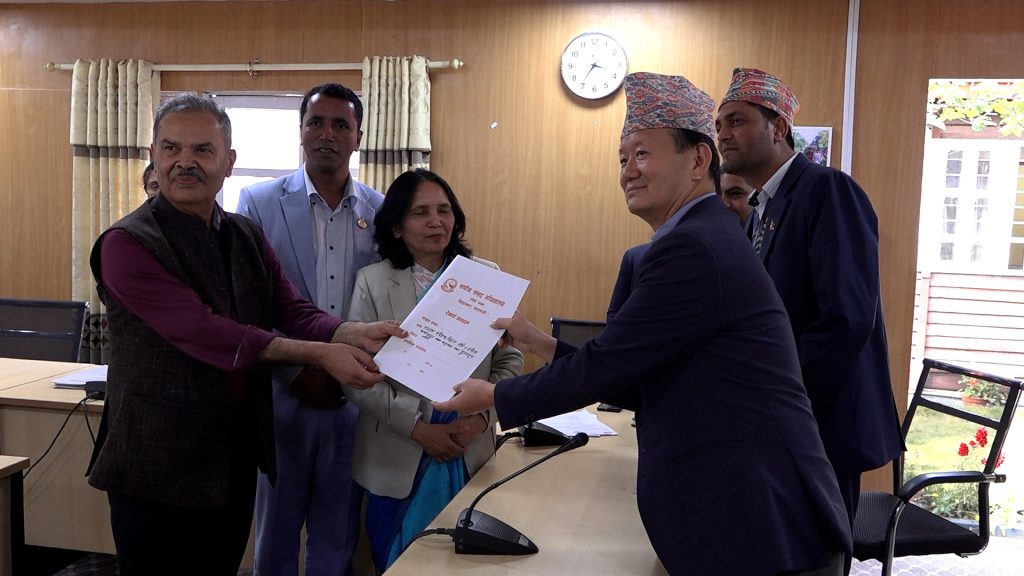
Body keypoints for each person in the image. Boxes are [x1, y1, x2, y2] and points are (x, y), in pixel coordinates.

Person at [436, 72, 851, 576]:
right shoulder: (701, 235)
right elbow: (634, 375)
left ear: (697, 160)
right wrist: (540, 342)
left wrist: (496, 396)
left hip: (759, 521)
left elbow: (609, 363)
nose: (628, 171)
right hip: (748, 515)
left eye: (643, 154)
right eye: (622, 159)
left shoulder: (693, 247)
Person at [86, 93, 406, 576]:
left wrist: (350, 331)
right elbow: (207, 333)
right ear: (153, 155)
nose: (185, 162)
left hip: (230, 455)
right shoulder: (126, 244)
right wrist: (322, 354)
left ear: (228, 162)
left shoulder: (242, 234)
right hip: (156, 462)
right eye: (171, 148)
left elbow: (289, 308)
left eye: (202, 150)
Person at [715, 67, 903, 532]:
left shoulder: (827, 190)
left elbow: (846, 319)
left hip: (821, 425)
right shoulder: (765, 206)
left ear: (778, 128)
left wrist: (774, 394)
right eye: (719, 125)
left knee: (819, 555)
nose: (723, 135)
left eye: (737, 121)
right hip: (785, 423)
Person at [345, 168, 524, 572]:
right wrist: (418, 428)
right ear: (396, 226)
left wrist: (481, 418)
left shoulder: (486, 277)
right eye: (420, 212)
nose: (436, 221)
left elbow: (510, 360)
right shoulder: (372, 282)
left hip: (470, 448)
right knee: (398, 562)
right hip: (396, 453)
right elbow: (356, 376)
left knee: (464, 563)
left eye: (444, 210)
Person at [235, 82, 381, 576]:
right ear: (300, 131)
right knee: (274, 540)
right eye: (316, 122)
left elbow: (389, 301)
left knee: (336, 539)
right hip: (283, 398)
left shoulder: (382, 213)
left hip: (353, 399)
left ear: (358, 137)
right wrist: (296, 372)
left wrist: (350, 375)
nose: (327, 134)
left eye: (341, 124)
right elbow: (247, 303)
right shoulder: (257, 202)